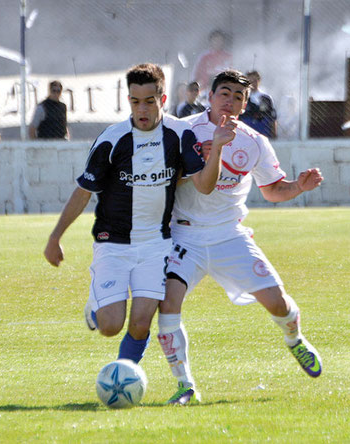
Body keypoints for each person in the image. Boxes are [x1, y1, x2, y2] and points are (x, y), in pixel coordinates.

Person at [43, 64, 233, 370]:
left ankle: (122, 376)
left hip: (157, 244)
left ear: (163, 98)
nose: (141, 109)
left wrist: (218, 150)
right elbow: (83, 192)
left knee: (142, 322)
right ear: (127, 100)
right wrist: (55, 237)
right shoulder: (112, 139)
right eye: (134, 101)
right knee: (110, 325)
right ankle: (96, 309)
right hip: (113, 243)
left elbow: (205, 186)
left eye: (149, 101)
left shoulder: (180, 134)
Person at [157, 70, 324, 405]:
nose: (229, 101)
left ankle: (295, 340)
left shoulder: (254, 142)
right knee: (167, 306)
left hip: (229, 235)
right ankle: (185, 385)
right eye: (224, 93)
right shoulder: (183, 129)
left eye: (237, 96)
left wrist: (298, 187)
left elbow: (274, 190)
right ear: (210, 96)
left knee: (278, 302)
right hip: (184, 236)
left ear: (245, 104)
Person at [191, 29, 233, 99]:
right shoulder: (204, 57)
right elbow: (196, 75)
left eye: (220, 40)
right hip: (205, 90)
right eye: (215, 40)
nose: (217, 42)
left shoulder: (228, 57)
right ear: (211, 41)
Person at [240, 70, 278, 138]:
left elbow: (272, 118)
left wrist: (274, 135)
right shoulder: (243, 97)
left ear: (259, 81)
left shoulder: (265, 98)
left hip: (262, 131)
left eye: (255, 81)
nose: (252, 83)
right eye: (250, 81)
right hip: (246, 132)